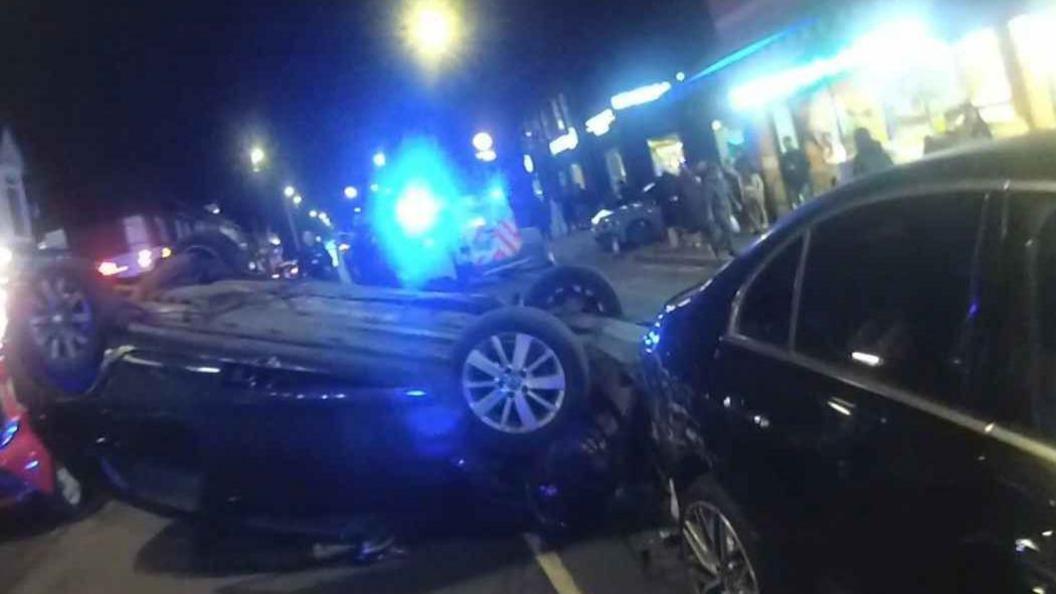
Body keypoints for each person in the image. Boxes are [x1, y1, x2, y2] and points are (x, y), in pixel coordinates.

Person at [698, 161, 737, 258]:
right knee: (728, 228)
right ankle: (730, 249)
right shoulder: (709, 184)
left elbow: (728, 193)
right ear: (713, 172)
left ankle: (718, 246)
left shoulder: (722, 181)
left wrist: (735, 203)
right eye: (717, 170)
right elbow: (708, 200)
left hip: (727, 207)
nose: (719, 172)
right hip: (718, 210)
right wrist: (709, 213)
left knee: (726, 230)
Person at [735, 159, 768, 234]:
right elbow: (741, 188)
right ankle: (758, 225)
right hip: (751, 194)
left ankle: (761, 224)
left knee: (758, 209)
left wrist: (759, 192)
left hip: (754, 193)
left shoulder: (752, 175)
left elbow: (760, 184)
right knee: (755, 211)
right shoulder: (742, 177)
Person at [779, 136, 810, 208]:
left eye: (787, 143)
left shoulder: (799, 153)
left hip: (802, 180)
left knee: (807, 201)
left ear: (791, 142)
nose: (787, 145)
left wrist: (806, 179)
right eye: (785, 144)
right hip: (792, 183)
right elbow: (783, 171)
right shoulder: (784, 157)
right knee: (796, 203)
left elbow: (806, 165)